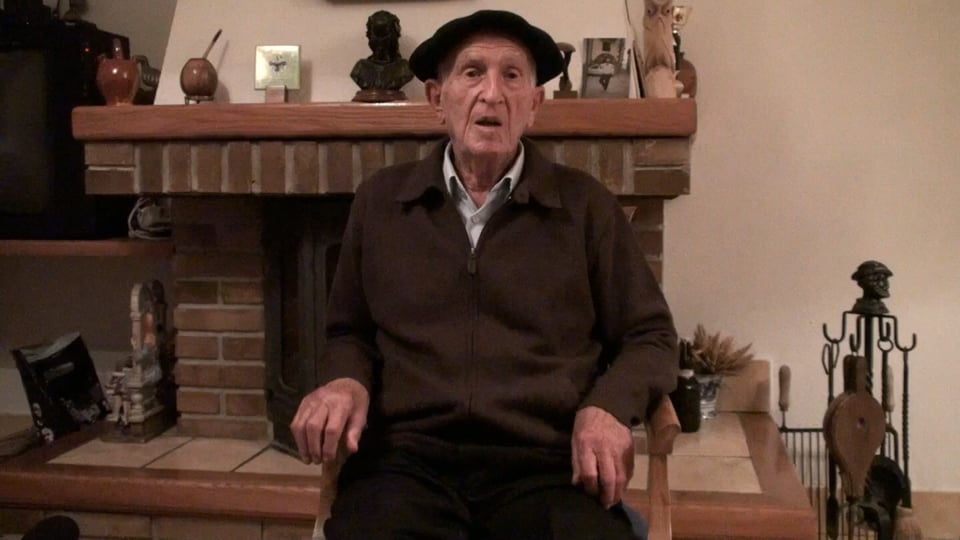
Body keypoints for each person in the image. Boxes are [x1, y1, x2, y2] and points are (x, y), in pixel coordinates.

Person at [292, 10, 678, 539]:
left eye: (511, 75)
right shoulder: (380, 203)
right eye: (472, 72)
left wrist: (608, 407)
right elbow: (348, 331)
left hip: (546, 466)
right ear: (437, 98)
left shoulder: (587, 208)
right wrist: (343, 381)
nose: (492, 94)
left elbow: (651, 337)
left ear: (535, 105)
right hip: (407, 464)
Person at [350, 10, 415, 102]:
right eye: (376, 35)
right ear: (368, 36)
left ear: (396, 36)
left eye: (385, 35)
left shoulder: (404, 68)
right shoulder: (360, 68)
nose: (380, 41)